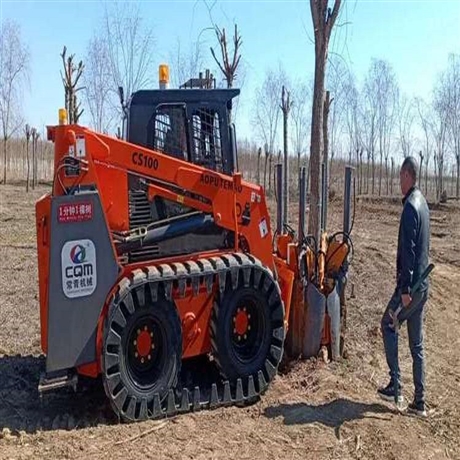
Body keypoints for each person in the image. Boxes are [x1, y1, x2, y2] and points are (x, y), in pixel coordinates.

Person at [378, 156, 430, 417]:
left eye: (400, 176)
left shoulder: (411, 206)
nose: (399, 182)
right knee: (416, 345)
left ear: (407, 175)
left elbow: (409, 251)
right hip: (423, 286)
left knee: (388, 324)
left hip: (411, 288)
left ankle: (396, 382)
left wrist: (406, 290)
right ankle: (419, 401)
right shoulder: (423, 203)